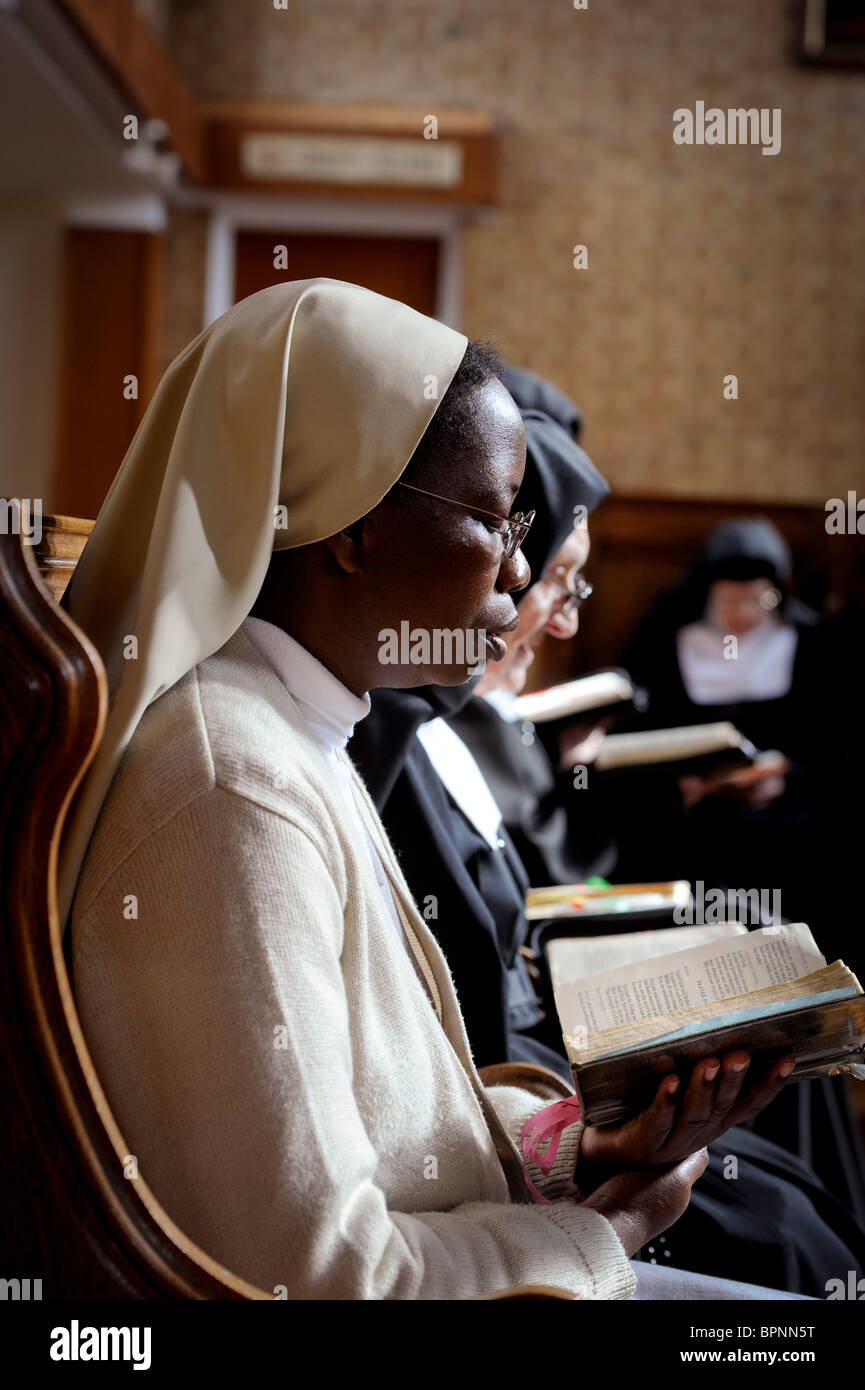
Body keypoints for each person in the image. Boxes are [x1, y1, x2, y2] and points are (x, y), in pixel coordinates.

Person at [58, 278, 751, 1301]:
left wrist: (576, 1146)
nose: (517, 579)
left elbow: (378, 1114)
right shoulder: (230, 789)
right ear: (347, 528)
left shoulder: (293, 722)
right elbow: (316, 1277)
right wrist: (600, 1233)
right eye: (493, 522)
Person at [351, 365, 865, 1295]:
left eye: (529, 554)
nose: (520, 590)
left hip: (525, 1099)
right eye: (503, 540)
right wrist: (601, 1181)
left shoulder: (389, 718)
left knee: (789, 1144)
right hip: (508, 1114)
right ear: (359, 539)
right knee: (783, 1233)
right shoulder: (330, 746)